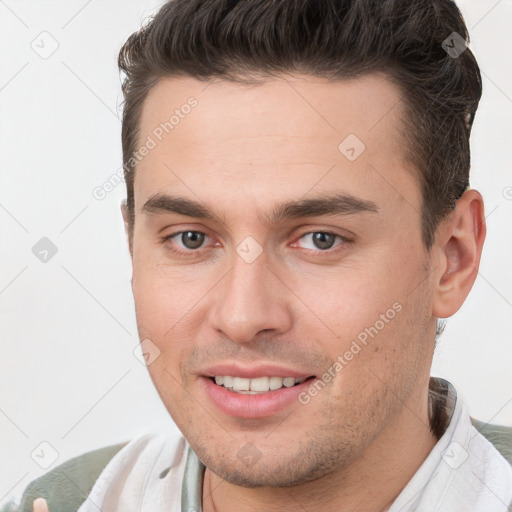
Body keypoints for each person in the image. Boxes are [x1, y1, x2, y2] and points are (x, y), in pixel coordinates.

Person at [9, 0, 512, 511]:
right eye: (190, 238)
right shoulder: (66, 500)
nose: (243, 317)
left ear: (453, 257)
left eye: (321, 239)